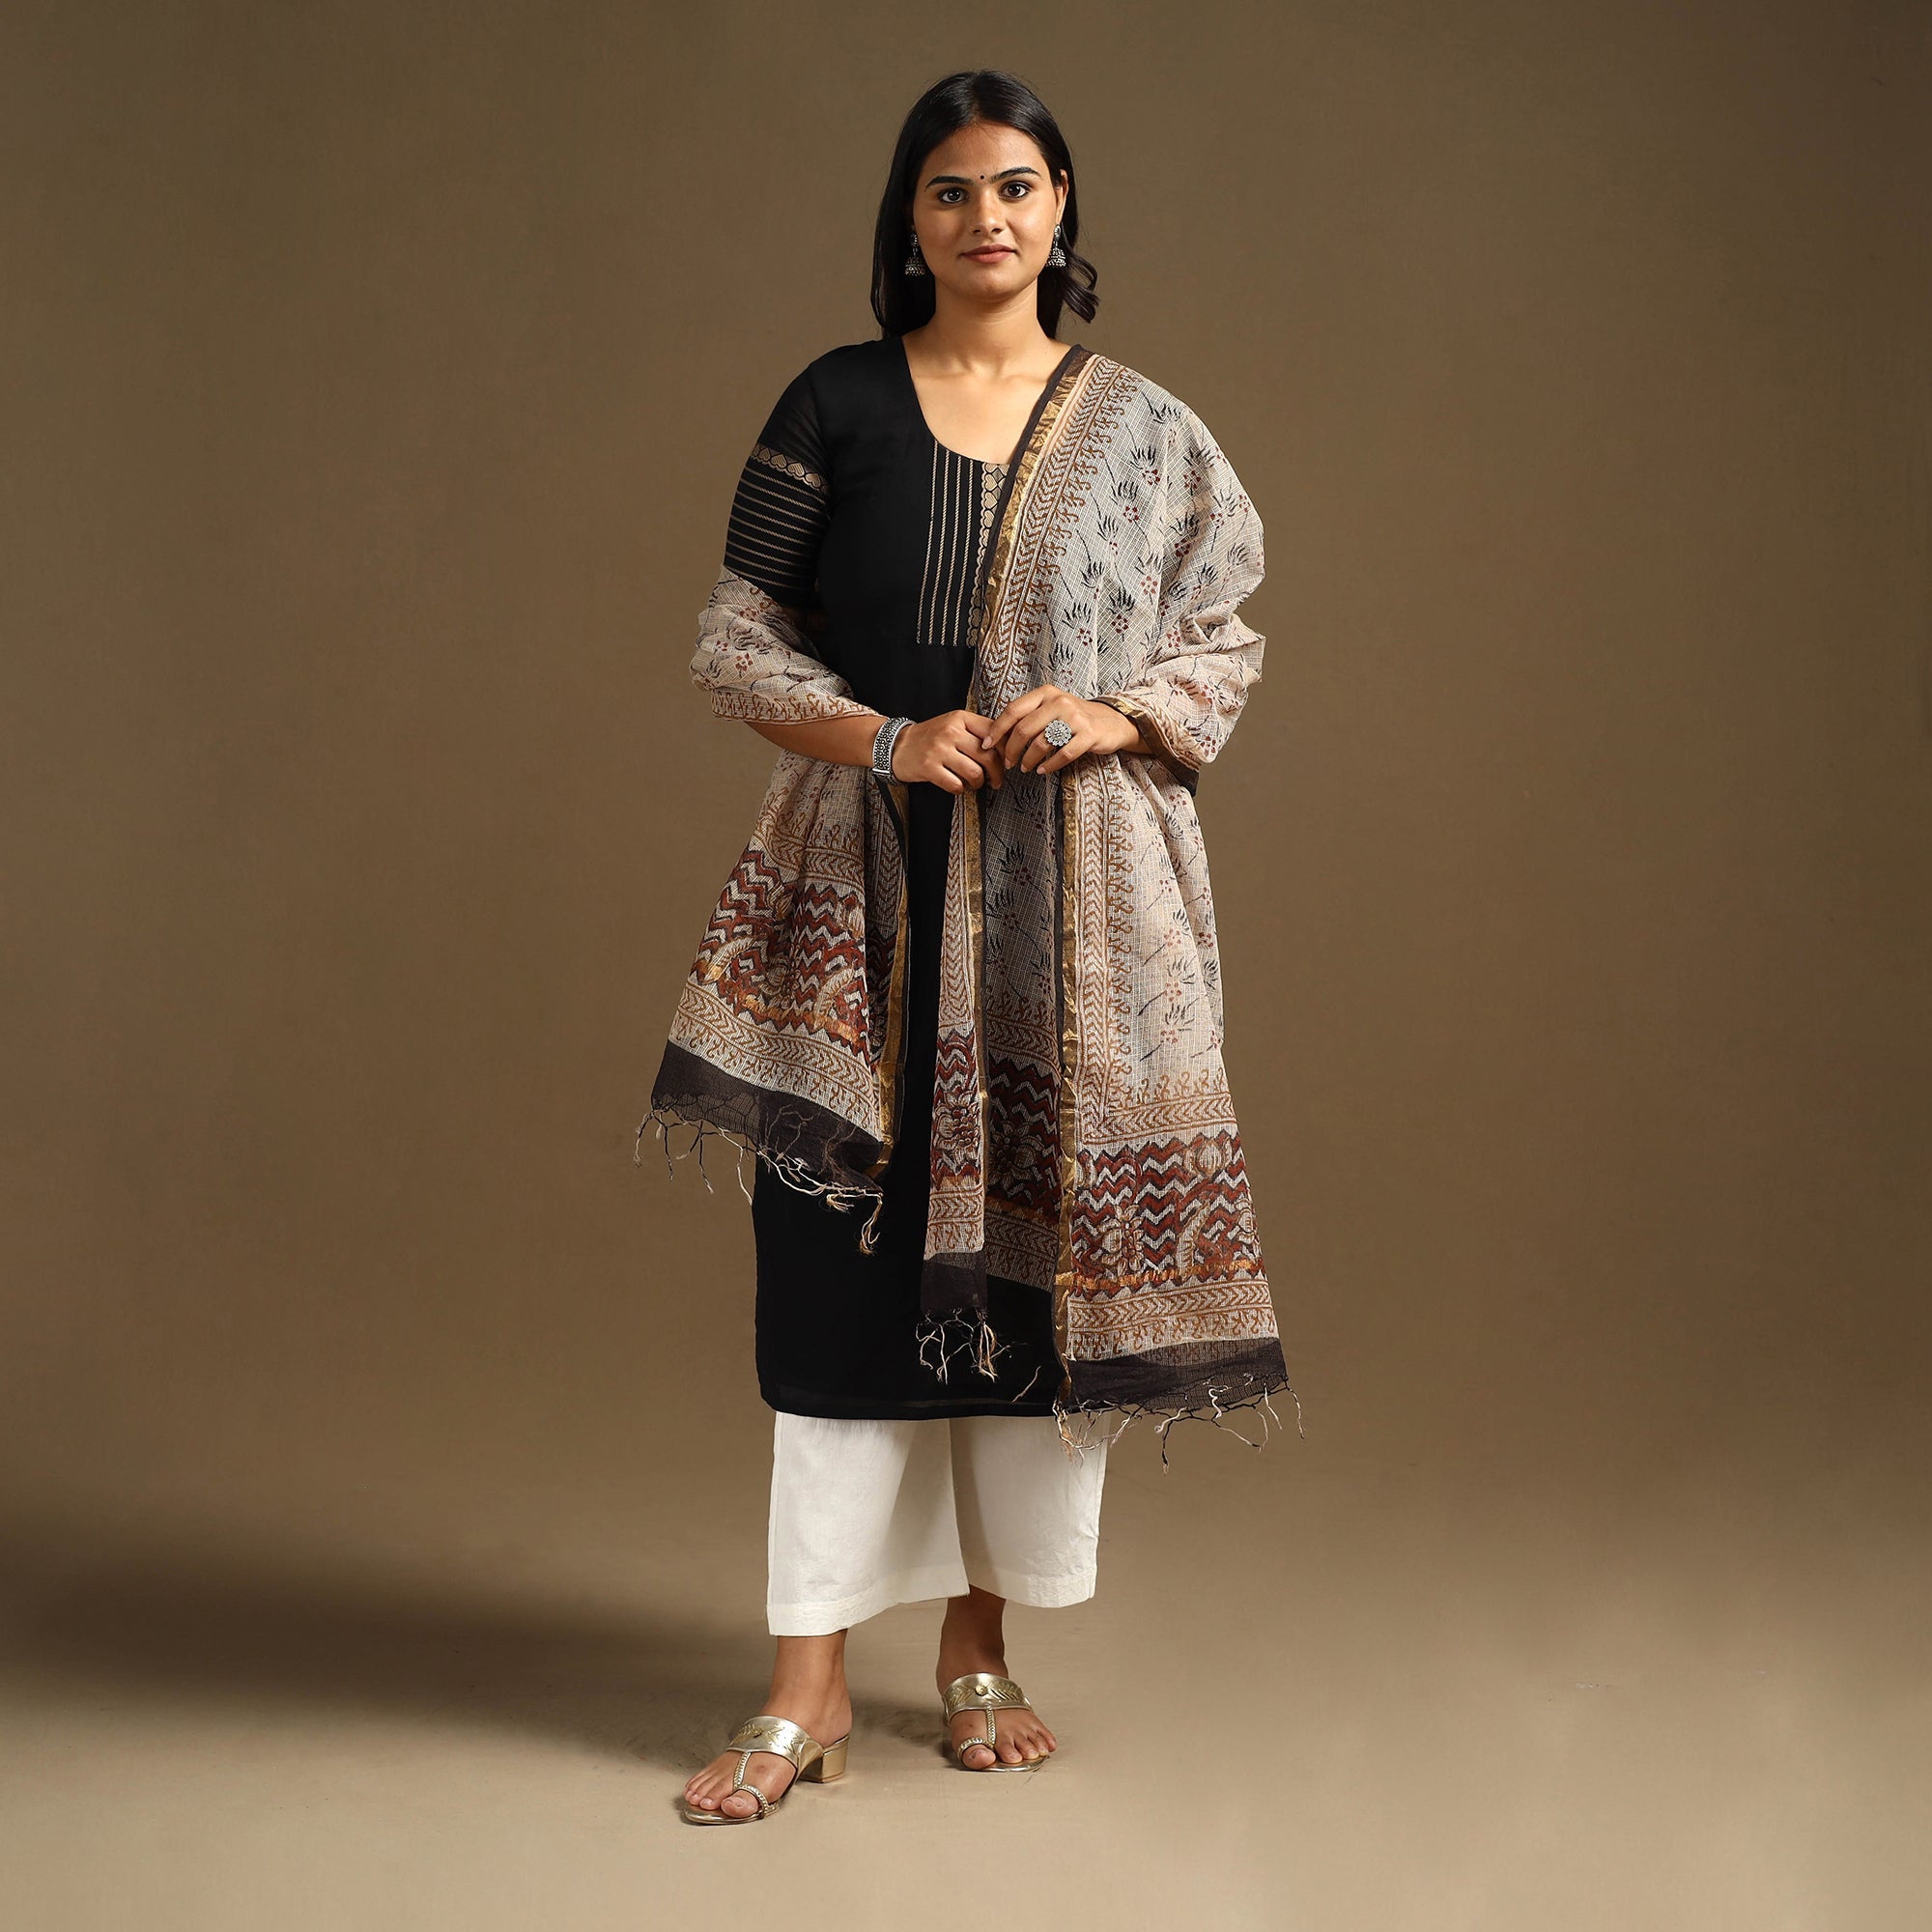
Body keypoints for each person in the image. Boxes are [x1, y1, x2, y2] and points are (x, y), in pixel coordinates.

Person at [638, 69, 1299, 1825]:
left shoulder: (1146, 431)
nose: (986, 217)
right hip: (866, 892)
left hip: (1070, 920)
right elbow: (737, 638)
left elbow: (1222, 638)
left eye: (1016, 185)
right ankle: (804, 1687)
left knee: (1023, 1275)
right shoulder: (835, 403)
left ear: (1062, 206)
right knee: (832, 1276)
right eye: (951, 190)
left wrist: (1114, 712)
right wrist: (882, 737)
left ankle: (977, 1647)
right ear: (910, 219)